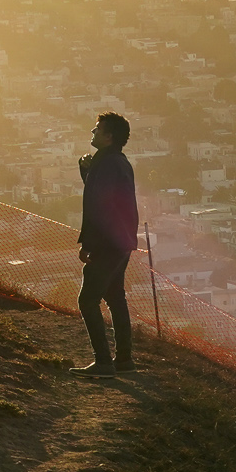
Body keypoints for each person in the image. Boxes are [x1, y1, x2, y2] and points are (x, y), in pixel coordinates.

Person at [71, 111, 140, 378]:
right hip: (121, 241)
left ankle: (103, 362)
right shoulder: (116, 163)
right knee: (115, 297)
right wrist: (88, 170)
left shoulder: (108, 165)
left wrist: (89, 244)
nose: (93, 132)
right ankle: (123, 360)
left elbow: (100, 207)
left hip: (108, 243)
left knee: (88, 300)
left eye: (97, 129)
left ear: (109, 136)